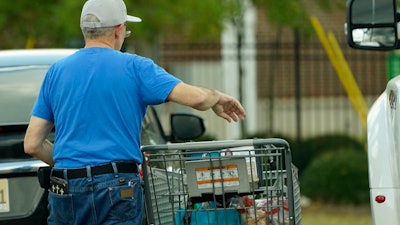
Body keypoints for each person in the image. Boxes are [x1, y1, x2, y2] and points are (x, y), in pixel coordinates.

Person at [23, 0, 246, 224]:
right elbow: (196, 98)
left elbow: (32, 144)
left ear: (83, 29)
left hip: (66, 188)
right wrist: (216, 97)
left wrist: (74, 165)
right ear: (119, 30)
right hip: (116, 186)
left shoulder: (56, 72)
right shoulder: (136, 67)